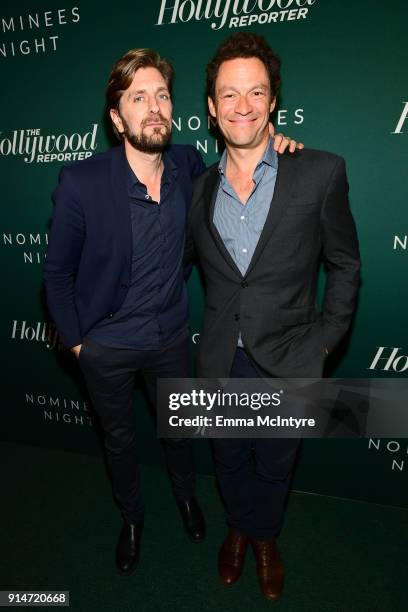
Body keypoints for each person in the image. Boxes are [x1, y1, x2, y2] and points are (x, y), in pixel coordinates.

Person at [43, 47, 299, 576]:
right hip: (106, 345)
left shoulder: (187, 166)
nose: (154, 107)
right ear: (117, 119)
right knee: (118, 440)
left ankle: (186, 496)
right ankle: (132, 516)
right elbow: (56, 275)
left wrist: (279, 144)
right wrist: (76, 342)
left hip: (170, 337)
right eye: (138, 97)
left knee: (180, 431)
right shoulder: (82, 182)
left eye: (161, 95)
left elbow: (243, 163)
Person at [189, 32, 360, 601]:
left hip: (290, 359)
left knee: (275, 464)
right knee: (230, 458)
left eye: (255, 92)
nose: (243, 105)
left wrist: (325, 342)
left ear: (272, 103)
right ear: (212, 108)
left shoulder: (318, 172)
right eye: (229, 94)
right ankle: (240, 528)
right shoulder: (195, 191)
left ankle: (264, 539)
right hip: (220, 359)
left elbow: (345, 264)